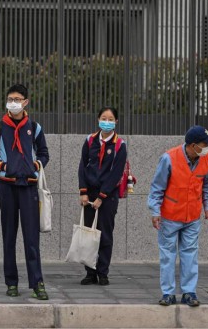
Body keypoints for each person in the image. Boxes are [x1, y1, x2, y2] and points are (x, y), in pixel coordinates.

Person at [0, 84, 50, 300]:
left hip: (28, 187)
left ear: (26, 102)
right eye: (11, 98)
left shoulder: (35, 127)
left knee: (31, 239)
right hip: (7, 188)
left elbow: (44, 153)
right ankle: (11, 282)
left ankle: (37, 283)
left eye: (18, 99)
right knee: (9, 237)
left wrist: (36, 165)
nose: (14, 102)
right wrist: (1, 166)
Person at [147, 125, 208, 307]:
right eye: (205, 144)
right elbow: (157, 187)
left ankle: (189, 292)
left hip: (192, 216)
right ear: (193, 145)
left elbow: (207, 185)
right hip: (169, 216)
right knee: (168, 255)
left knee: (190, 254)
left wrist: (207, 205)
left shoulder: (207, 158)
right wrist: (155, 211)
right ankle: (168, 293)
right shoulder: (169, 158)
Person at [77, 107, 127, 286]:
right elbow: (83, 166)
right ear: (98, 119)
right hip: (88, 195)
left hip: (108, 196)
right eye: (104, 118)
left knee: (105, 234)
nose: (107, 121)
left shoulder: (120, 145)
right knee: (89, 234)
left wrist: (102, 196)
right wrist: (83, 191)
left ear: (116, 122)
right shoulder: (90, 141)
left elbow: (116, 174)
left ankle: (103, 272)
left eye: (111, 118)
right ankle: (90, 272)